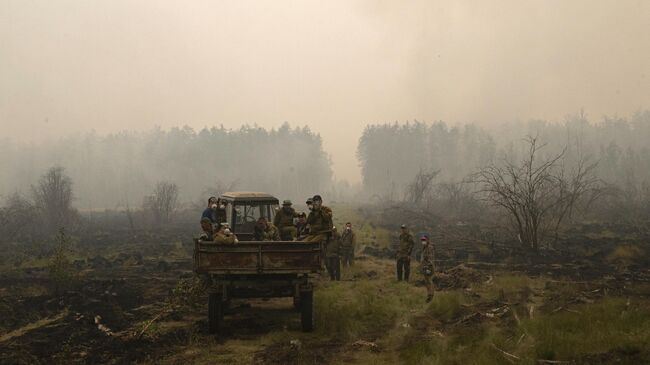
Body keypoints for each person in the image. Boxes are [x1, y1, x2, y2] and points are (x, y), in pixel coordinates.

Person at [420, 235, 435, 302]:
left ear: (428, 240)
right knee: (427, 281)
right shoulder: (424, 247)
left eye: (424, 240)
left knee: (429, 280)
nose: (423, 241)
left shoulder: (429, 247)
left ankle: (431, 295)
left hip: (429, 266)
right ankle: (429, 294)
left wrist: (427, 266)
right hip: (425, 266)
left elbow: (430, 258)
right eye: (422, 240)